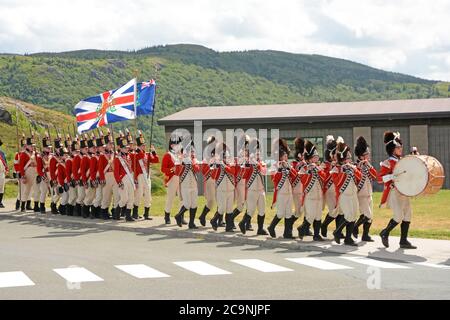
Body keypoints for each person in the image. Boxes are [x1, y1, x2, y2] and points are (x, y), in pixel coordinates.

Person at [378, 132, 417, 249]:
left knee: (408, 215)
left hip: (405, 192)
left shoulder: (403, 161)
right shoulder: (388, 162)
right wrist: (392, 176)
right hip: (394, 192)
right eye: (398, 147)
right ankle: (385, 232)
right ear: (392, 149)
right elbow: (379, 179)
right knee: (398, 216)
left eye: (401, 147)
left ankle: (403, 241)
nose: (401, 149)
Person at [331, 142, 362, 246]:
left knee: (353, 216)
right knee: (348, 215)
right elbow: (337, 183)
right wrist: (343, 172)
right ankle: (337, 232)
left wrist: (353, 169)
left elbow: (360, 178)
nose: (350, 159)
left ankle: (348, 238)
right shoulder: (336, 169)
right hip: (344, 196)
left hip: (353, 194)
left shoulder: (352, 167)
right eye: (348, 157)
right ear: (343, 158)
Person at [297, 140, 327, 241]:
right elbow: (303, 180)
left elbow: (324, 178)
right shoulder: (304, 168)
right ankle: (301, 229)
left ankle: (316, 235)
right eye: (315, 157)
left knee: (318, 216)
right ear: (310, 159)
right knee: (310, 216)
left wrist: (318, 169)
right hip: (310, 196)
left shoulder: (318, 168)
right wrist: (309, 170)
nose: (317, 158)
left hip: (319, 196)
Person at [268, 139, 297, 239]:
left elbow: (295, 176)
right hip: (281, 193)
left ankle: (288, 234)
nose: (286, 157)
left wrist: (288, 168)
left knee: (289, 213)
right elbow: (274, 180)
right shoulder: (275, 166)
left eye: (286, 156)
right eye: (285, 156)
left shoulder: (288, 165)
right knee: (280, 213)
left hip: (289, 193)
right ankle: (271, 227)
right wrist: (280, 170)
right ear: (280, 157)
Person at [238, 138, 268, 236]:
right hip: (251, 189)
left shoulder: (261, 162)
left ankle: (260, 229)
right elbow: (243, 175)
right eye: (256, 152)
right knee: (250, 210)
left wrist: (257, 164)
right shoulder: (249, 163)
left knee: (262, 210)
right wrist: (247, 164)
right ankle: (242, 223)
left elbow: (264, 172)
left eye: (258, 151)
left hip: (261, 190)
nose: (258, 153)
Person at [353, 136, 377, 242]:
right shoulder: (355, 165)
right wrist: (360, 166)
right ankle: (355, 227)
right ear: (362, 156)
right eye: (367, 154)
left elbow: (375, 175)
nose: (369, 155)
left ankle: (365, 235)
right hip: (361, 194)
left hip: (368, 192)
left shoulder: (367, 165)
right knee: (367, 215)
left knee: (370, 216)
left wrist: (368, 165)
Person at [321, 136, 345, 239]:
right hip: (329, 191)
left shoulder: (341, 164)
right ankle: (324, 225)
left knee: (340, 210)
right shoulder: (325, 165)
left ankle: (338, 231)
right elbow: (323, 177)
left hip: (338, 190)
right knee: (333, 211)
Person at [133, 131, 160, 220]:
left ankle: (146, 214)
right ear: (139, 146)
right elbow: (138, 161)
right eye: (142, 145)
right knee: (139, 194)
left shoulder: (147, 154)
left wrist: (153, 151)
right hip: (140, 176)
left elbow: (156, 160)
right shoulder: (136, 155)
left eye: (144, 145)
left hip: (147, 176)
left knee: (148, 195)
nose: (144, 146)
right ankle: (135, 213)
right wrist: (138, 150)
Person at [174, 141, 201, 229]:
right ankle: (179, 215)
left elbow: (197, 170)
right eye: (190, 151)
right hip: (185, 183)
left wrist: (193, 161)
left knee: (194, 204)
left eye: (192, 151)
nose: (191, 152)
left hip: (193, 183)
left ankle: (191, 223)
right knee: (187, 204)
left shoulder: (194, 159)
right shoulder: (180, 159)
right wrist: (181, 161)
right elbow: (177, 172)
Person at [210, 143, 236, 232]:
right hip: (221, 189)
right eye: (225, 157)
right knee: (222, 208)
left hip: (231, 189)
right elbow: (213, 176)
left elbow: (233, 172)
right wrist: (216, 165)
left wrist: (224, 165)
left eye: (228, 157)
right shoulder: (217, 165)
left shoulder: (230, 164)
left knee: (229, 209)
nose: (227, 159)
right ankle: (214, 220)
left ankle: (228, 227)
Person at [161, 135, 183, 225]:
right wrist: (171, 170)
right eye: (177, 144)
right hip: (172, 178)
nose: (179, 146)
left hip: (180, 178)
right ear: (172, 145)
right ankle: (167, 215)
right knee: (170, 198)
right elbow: (163, 169)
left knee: (182, 198)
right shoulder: (168, 155)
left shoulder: (180, 155)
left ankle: (180, 216)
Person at [113, 133, 135, 222]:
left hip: (130, 178)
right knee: (124, 198)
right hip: (123, 179)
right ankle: (116, 213)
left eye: (127, 148)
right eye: (125, 148)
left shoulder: (129, 156)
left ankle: (128, 216)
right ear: (121, 148)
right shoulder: (117, 158)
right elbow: (116, 173)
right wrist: (119, 182)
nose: (127, 149)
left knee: (131, 197)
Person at [199, 136, 217, 227]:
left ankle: (219, 219)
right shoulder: (207, 156)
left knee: (221, 200)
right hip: (210, 179)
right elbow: (204, 170)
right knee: (211, 201)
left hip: (218, 179)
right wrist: (211, 162)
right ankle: (202, 216)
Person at [18, 135, 38, 212]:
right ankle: (23, 206)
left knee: (35, 190)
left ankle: (35, 206)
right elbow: (21, 166)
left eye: (33, 146)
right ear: (27, 146)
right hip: (28, 172)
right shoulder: (23, 154)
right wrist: (23, 176)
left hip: (34, 172)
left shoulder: (34, 153)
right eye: (31, 146)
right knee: (26, 190)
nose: (32, 147)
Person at [98, 131, 115, 220]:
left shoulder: (113, 154)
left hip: (114, 175)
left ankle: (112, 210)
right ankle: (104, 212)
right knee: (106, 195)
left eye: (112, 143)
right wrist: (102, 178)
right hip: (106, 175)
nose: (111, 145)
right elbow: (100, 169)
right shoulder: (102, 155)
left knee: (114, 195)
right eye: (110, 143)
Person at [36, 133, 52, 214]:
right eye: (47, 148)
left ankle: (53, 206)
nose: (49, 149)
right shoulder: (40, 157)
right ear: (44, 148)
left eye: (49, 148)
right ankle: (42, 206)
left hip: (51, 175)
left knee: (53, 191)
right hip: (44, 176)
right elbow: (39, 169)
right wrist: (43, 177)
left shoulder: (51, 156)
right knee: (44, 191)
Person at [0, 139, 8, 208]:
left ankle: (0, 201)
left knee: (1, 187)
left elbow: (5, 162)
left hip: (2, 172)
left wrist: (6, 169)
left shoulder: (2, 153)